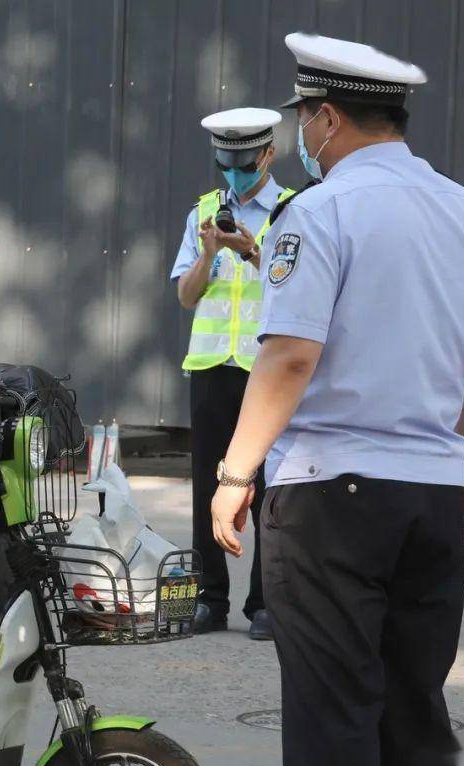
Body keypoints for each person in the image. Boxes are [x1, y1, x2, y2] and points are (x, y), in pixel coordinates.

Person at [210, 33, 464, 766]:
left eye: (304, 119)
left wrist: (235, 470)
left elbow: (288, 359)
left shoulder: (318, 213)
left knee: (333, 719)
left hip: (330, 497)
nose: (301, 136)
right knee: (416, 714)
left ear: (328, 120)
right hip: (433, 495)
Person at [170, 108, 294, 638]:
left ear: (267, 154)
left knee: (268, 485)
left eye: (245, 165)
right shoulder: (203, 211)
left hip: (266, 367)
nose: (235, 176)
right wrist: (208, 253)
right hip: (213, 366)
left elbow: (296, 283)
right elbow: (185, 295)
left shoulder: (292, 211)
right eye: (227, 165)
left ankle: (265, 602)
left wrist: (251, 252)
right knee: (207, 483)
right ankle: (208, 596)